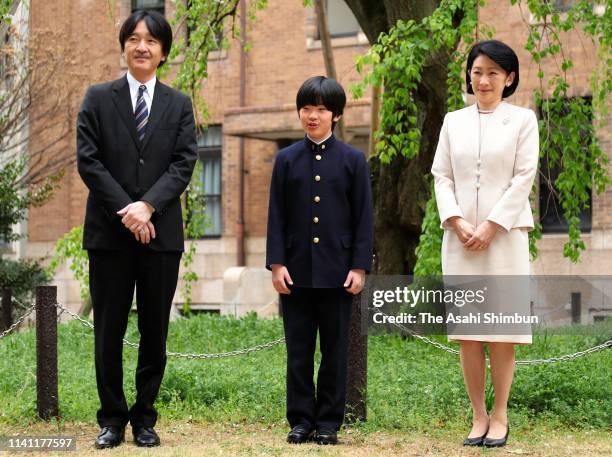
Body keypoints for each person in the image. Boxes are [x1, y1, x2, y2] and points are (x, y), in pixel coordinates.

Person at [76, 10, 197, 449]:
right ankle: (111, 419)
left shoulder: (179, 104)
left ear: (163, 52)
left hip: (161, 236)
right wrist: (128, 210)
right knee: (108, 330)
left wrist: (148, 207)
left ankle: (144, 418)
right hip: (109, 237)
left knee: (154, 331)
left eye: (151, 40)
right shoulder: (97, 98)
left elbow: (183, 162)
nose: (141, 46)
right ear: (124, 45)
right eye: (134, 38)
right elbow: (88, 161)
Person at [431, 40, 539, 448]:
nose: (484, 79)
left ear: (509, 78)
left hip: (505, 239)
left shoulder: (523, 120)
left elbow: (523, 176)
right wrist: (456, 221)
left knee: (501, 331)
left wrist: (492, 225)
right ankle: (477, 415)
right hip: (459, 240)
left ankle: (500, 414)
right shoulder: (452, 121)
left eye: (494, 72)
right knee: (469, 332)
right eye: (477, 71)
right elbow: (441, 175)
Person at [266, 76, 373, 445]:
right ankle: (300, 419)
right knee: (298, 352)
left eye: (321, 109)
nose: (313, 115)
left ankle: (328, 422)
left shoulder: (353, 161)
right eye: (307, 108)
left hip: (338, 272)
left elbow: (363, 218)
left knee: (334, 353)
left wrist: (359, 266)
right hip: (294, 272)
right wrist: (277, 264)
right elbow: (276, 216)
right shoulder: (285, 160)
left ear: (336, 115)